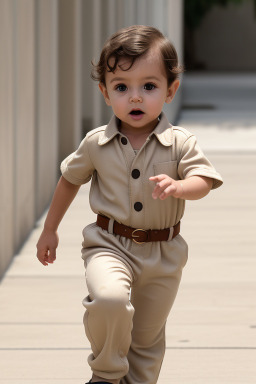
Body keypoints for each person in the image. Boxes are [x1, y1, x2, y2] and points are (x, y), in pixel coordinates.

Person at [36, 25, 223, 384]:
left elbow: (204, 181)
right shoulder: (95, 144)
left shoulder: (180, 143)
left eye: (148, 86)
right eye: (122, 87)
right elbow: (69, 180)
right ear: (106, 94)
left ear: (171, 90)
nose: (135, 97)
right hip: (109, 243)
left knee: (146, 339)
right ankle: (105, 376)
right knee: (109, 301)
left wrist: (180, 186)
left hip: (163, 252)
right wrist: (49, 229)